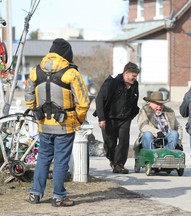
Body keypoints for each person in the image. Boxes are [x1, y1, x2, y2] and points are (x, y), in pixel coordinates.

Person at [25, 38, 90, 207]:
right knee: (61, 160)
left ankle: (35, 193)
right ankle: (59, 196)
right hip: (65, 124)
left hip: (43, 124)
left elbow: (28, 98)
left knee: (43, 158)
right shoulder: (71, 73)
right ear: (67, 54)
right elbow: (83, 102)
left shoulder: (35, 71)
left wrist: (36, 110)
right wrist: (78, 119)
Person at [96, 62, 140, 174]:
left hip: (125, 118)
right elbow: (99, 99)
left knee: (124, 142)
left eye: (136, 76)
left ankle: (119, 164)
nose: (135, 78)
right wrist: (101, 118)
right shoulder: (112, 82)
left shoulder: (135, 85)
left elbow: (134, 101)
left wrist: (132, 115)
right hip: (109, 118)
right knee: (110, 143)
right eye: (133, 76)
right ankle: (112, 160)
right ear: (126, 73)